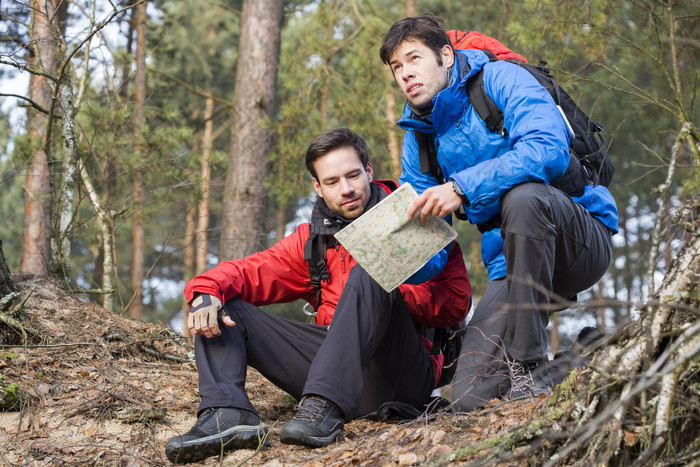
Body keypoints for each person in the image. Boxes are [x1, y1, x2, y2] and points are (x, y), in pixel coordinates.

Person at [164, 127, 471, 464]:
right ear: (317, 187)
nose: (347, 189)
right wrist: (205, 290)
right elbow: (250, 271)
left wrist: (386, 293)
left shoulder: (416, 213)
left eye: (353, 175)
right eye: (332, 181)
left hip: (401, 375)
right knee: (227, 305)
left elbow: (457, 300)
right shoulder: (313, 242)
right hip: (333, 369)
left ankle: (322, 407)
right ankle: (227, 412)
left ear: (369, 171)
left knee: (371, 271)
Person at [379, 14, 618, 410]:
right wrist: (384, 261)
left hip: (578, 237)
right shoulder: (418, 141)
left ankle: (529, 363)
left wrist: (461, 186)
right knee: (471, 398)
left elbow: (548, 149)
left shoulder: (501, 79)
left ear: (446, 55)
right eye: (397, 67)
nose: (406, 74)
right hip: (510, 265)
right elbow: (429, 244)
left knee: (523, 198)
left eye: (414, 59)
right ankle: (585, 354)